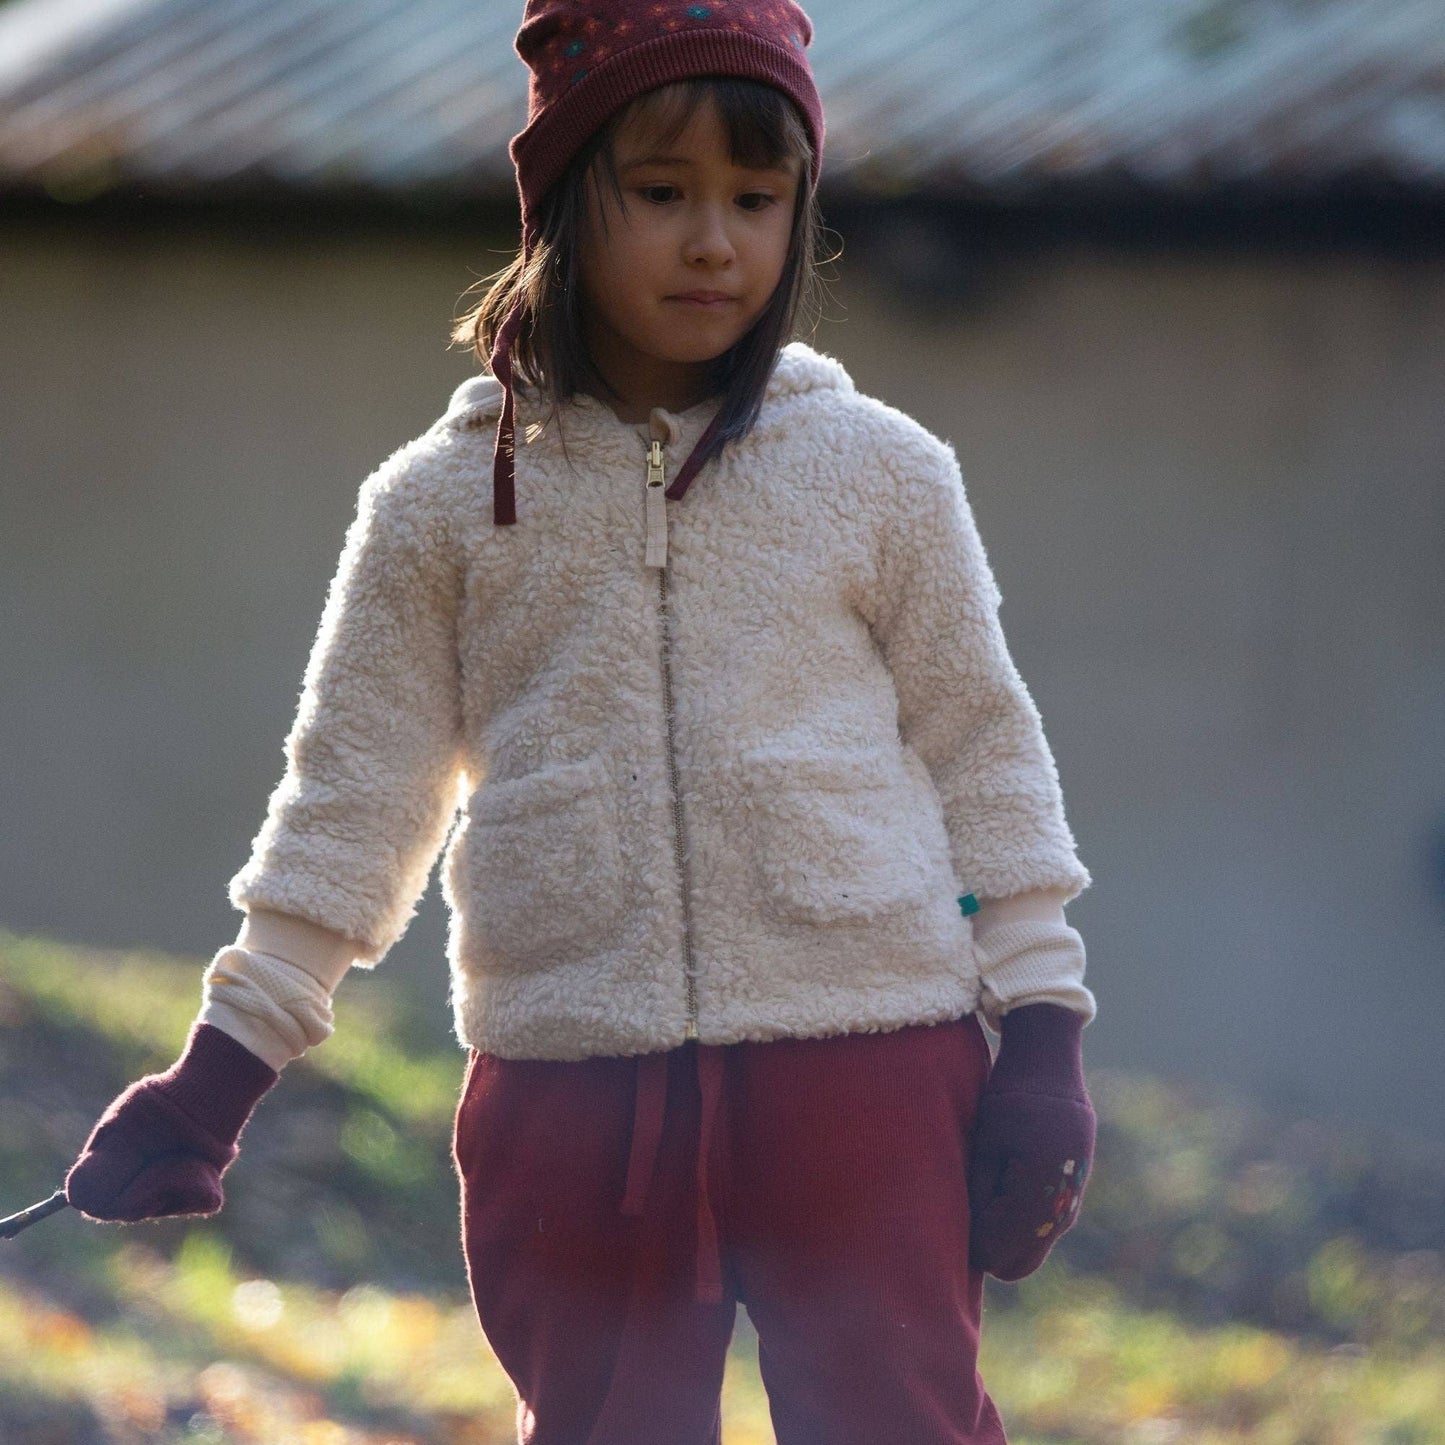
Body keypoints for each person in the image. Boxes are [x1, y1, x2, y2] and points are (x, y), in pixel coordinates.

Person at [64, 3, 1099, 1440]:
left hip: (863, 1070)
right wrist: (218, 1072)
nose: (713, 243)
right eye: (661, 193)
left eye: (756, 198)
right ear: (560, 199)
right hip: (572, 1092)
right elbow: (351, 802)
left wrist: (1040, 1033)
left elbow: (982, 750)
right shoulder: (438, 504)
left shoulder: (883, 474)